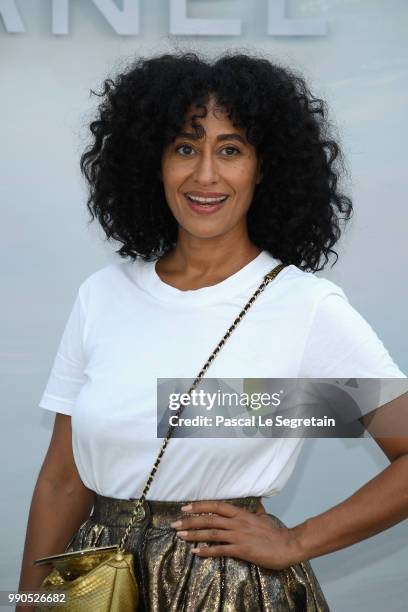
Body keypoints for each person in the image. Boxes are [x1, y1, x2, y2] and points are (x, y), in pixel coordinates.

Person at [17, 52, 408, 611]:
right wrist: (32, 601)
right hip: (95, 585)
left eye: (230, 149)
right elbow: (61, 479)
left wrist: (296, 540)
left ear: (264, 166)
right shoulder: (102, 296)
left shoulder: (305, 306)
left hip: (227, 589)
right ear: (152, 163)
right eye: (184, 148)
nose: (205, 174)